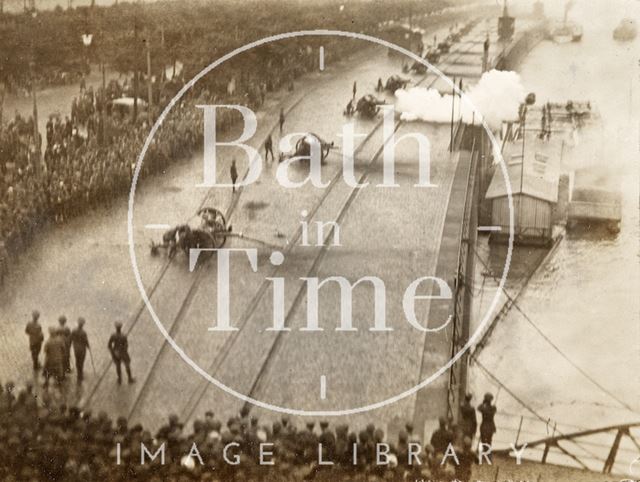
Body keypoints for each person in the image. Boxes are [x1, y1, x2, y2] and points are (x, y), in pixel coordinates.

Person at [71, 318, 90, 383]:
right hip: (82, 349)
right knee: (81, 361)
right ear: (83, 325)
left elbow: (71, 338)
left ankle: (79, 373)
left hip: (76, 348)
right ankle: (80, 374)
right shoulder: (83, 332)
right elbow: (85, 341)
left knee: (77, 360)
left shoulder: (74, 330)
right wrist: (88, 346)